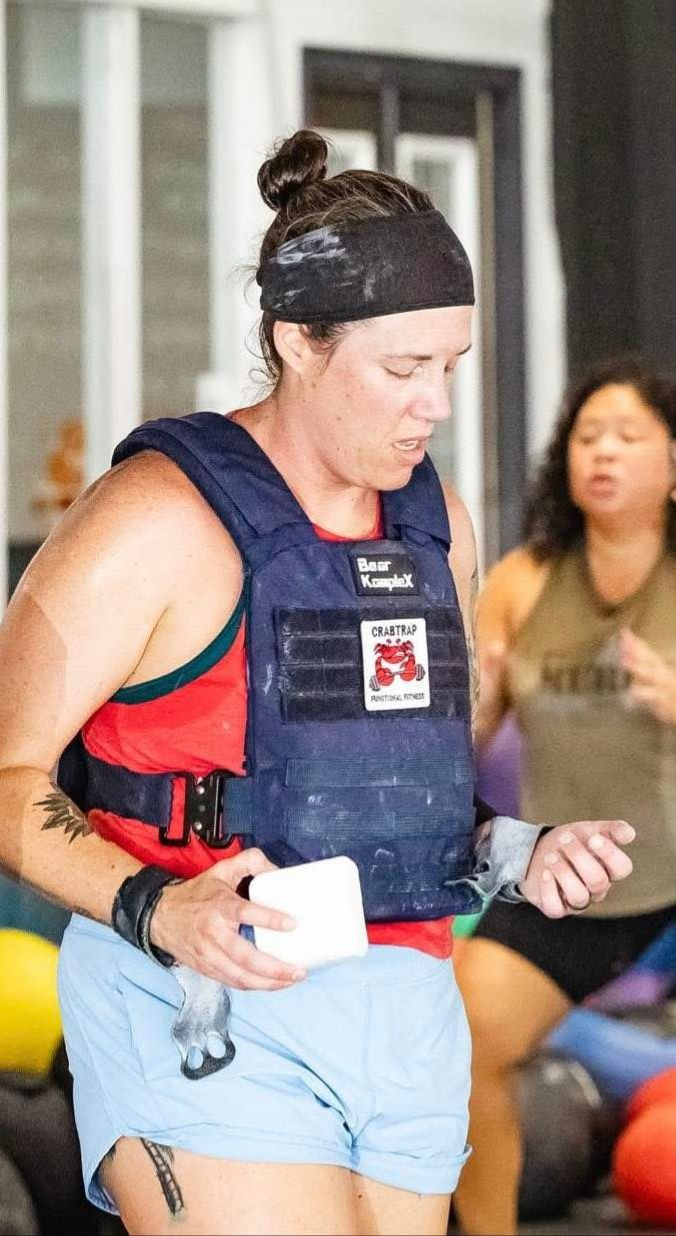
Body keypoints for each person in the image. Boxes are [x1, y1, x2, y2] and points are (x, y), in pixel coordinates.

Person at [0, 131, 635, 1236]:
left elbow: (390, 784)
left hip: (404, 1010)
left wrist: (517, 850)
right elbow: (6, 774)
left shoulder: (437, 529)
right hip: (203, 1003)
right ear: (297, 340)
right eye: (401, 369)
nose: (433, 404)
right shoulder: (151, 522)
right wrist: (157, 906)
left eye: (450, 365)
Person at [454, 355, 676, 1236]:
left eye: (628, 437)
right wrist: (468, 700)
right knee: (465, 1038)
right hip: (586, 861)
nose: (602, 453)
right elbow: (466, 743)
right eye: (586, 436)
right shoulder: (523, 580)